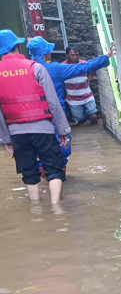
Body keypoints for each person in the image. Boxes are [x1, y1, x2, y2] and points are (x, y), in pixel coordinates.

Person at [0, 30, 71, 204]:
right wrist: (63, 130)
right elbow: (53, 102)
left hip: (17, 133)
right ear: (18, 47)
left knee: (29, 173)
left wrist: (6, 139)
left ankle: (36, 208)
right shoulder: (35, 67)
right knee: (54, 170)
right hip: (43, 130)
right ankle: (57, 209)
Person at [27, 37, 115, 171]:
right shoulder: (54, 69)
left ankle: (43, 175)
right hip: (55, 115)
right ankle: (59, 176)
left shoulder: (25, 70)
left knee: (39, 150)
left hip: (32, 117)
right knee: (62, 147)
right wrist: (106, 57)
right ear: (46, 53)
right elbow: (82, 67)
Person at [62, 47, 101, 126]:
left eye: (77, 55)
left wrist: (88, 82)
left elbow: (89, 73)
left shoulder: (84, 63)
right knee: (80, 121)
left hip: (87, 96)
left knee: (93, 116)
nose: (75, 57)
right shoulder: (63, 66)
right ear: (67, 55)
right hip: (73, 98)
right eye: (72, 55)